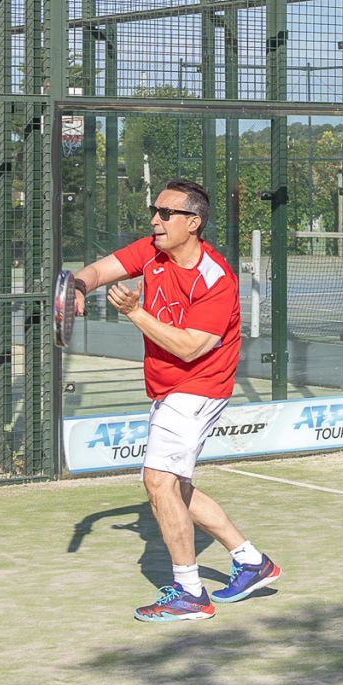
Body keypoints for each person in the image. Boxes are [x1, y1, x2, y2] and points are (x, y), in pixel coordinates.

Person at [65, 177, 277, 623]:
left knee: (159, 482)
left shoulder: (216, 279)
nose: (155, 221)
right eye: (154, 212)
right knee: (176, 484)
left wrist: (134, 312)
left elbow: (190, 348)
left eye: (165, 213)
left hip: (198, 387)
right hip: (172, 388)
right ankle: (250, 561)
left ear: (193, 222)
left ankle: (189, 593)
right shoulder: (152, 252)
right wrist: (79, 288)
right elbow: (99, 270)